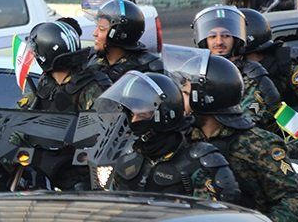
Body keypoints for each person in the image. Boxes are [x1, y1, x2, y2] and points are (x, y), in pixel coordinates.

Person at [171, 49, 298, 222]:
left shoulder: (258, 144)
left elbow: (295, 200)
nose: (180, 100)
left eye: (186, 94)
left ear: (205, 100)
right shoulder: (184, 139)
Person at [97, 71, 239, 202]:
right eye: (132, 115)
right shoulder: (126, 155)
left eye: (142, 115)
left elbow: (212, 220)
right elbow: (111, 206)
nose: (134, 122)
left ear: (164, 116)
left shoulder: (199, 163)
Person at [240, 8, 298, 155]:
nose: (219, 41)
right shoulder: (221, 70)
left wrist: (279, 113)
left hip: (292, 145)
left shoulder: (284, 62)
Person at [193, 4, 280, 131]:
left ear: (236, 39)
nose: (219, 42)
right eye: (212, 36)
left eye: (226, 36)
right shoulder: (196, 74)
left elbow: (247, 119)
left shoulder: (250, 75)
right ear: (204, 41)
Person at [18, 19, 111, 113]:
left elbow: (105, 123)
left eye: (35, 51)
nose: (33, 54)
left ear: (45, 55)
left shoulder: (92, 86)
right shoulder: (46, 82)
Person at [92, 0, 161, 81]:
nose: (95, 33)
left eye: (101, 28)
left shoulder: (146, 70)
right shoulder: (92, 59)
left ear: (119, 34)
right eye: (97, 26)